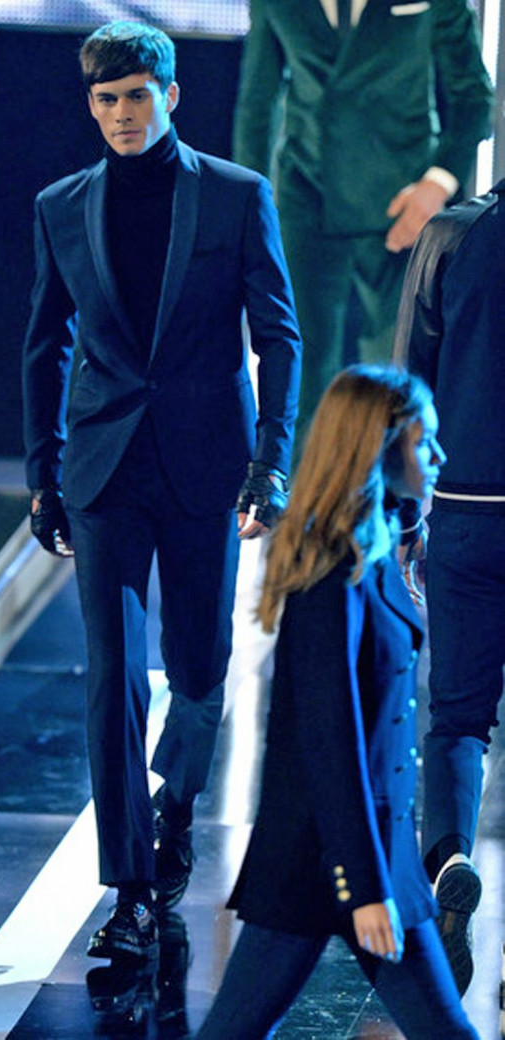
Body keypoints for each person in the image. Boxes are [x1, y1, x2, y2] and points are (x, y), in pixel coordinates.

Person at [22, 20, 301, 962]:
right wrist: (41, 473)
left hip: (204, 462)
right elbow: (44, 344)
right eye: (106, 100)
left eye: (137, 96)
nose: (122, 114)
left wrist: (271, 463)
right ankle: (132, 889)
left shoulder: (236, 195)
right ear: (90, 105)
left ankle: (174, 805)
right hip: (103, 470)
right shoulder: (61, 205)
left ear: (170, 96)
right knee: (111, 675)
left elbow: (279, 337)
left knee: (198, 666)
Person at [195, 364, 479, 1039]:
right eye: (424, 441)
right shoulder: (332, 571)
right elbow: (330, 741)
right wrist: (363, 886)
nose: (440, 457)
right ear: (378, 446)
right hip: (320, 862)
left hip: (378, 854)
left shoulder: (372, 548)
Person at [233, 0, 494, 446]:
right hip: (306, 198)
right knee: (297, 372)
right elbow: (257, 104)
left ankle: (399, 493)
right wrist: (247, 214)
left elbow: (474, 95)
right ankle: (297, 491)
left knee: (398, 376)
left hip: (404, 203)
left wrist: (435, 187)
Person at [393, 178, 505, 995]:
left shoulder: (450, 235)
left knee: (458, 717)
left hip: (465, 512)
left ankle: (450, 858)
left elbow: (408, 387)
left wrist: (405, 517)